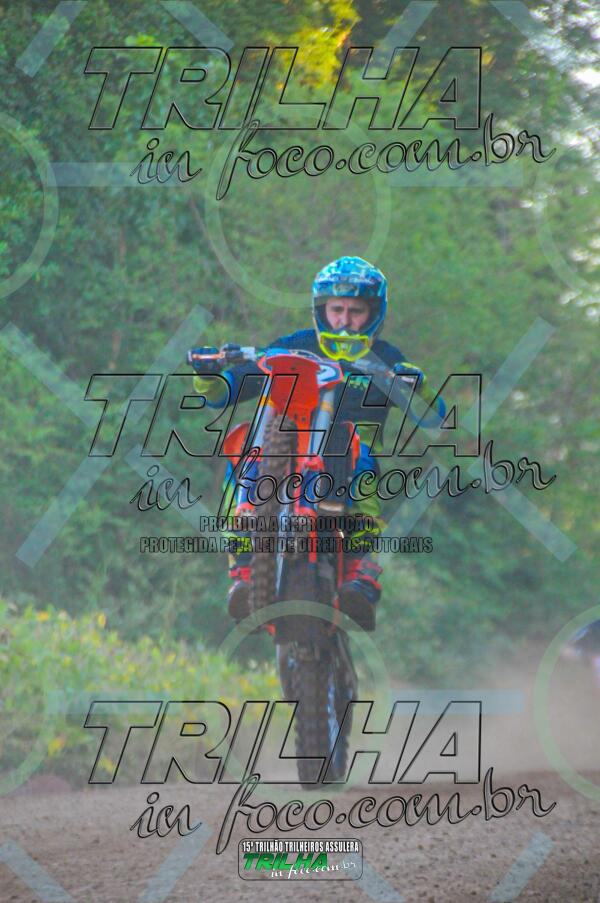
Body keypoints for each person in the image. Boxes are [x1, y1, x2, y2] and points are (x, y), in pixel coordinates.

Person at [188, 256, 444, 630]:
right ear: (321, 310)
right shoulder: (296, 345)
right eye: (336, 309)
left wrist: (417, 385)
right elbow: (223, 393)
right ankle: (242, 568)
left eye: (355, 311)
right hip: (289, 443)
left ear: (373, 313)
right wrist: (208, 375)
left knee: (362, 462)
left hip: (352, 454)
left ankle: (362, 577)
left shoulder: (386, 359)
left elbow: (433, 419)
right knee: (241, 445)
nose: (344, 320)